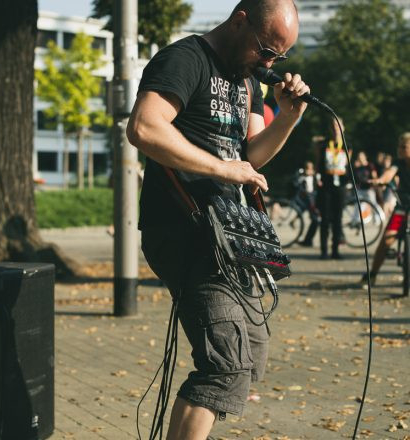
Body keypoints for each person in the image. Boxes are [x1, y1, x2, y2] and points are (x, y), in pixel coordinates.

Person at [126, 1, 311, 438]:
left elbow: (250, 156)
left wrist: (288, 117)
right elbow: (145, 128)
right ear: (239, 20)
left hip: (229, 234)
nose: (270, 63)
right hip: (183, 229)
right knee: (224, 366)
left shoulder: (248, 79)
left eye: (278, 58)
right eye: (266, 50)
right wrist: (220, 168)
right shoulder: (185, 60)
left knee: (251, 357)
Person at [361, 133, 410, 287]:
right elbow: (389, 174)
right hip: (402, 207)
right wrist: (380, 181)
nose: (400, 149)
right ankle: (372, 274)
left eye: (404, 146)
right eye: (399, 146)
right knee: (387, 238)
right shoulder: (398, 163)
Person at [315, 117, 349, 260]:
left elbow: (348, 164)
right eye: (333, 125)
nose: (336, 128)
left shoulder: (347, 145)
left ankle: (335, 250)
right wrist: (318, 178)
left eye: (338, 125)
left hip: (340, 185)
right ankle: (324, 251)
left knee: (338, 218)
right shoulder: (323, 144)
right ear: (330, 128)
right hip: (326, 185)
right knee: (325, 219)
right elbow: (317, 163)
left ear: (343, 127)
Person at [297, 161, 320, 247]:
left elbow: (318, 184)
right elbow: (299, 185)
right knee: (314, 219)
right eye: (307, 168)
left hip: (314, 198)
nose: (309, 170)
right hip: (307, 198)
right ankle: (308, 240)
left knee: (315, 219)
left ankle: (308, 240)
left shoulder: (315, 176)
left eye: (311, 168)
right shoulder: (303, 177)